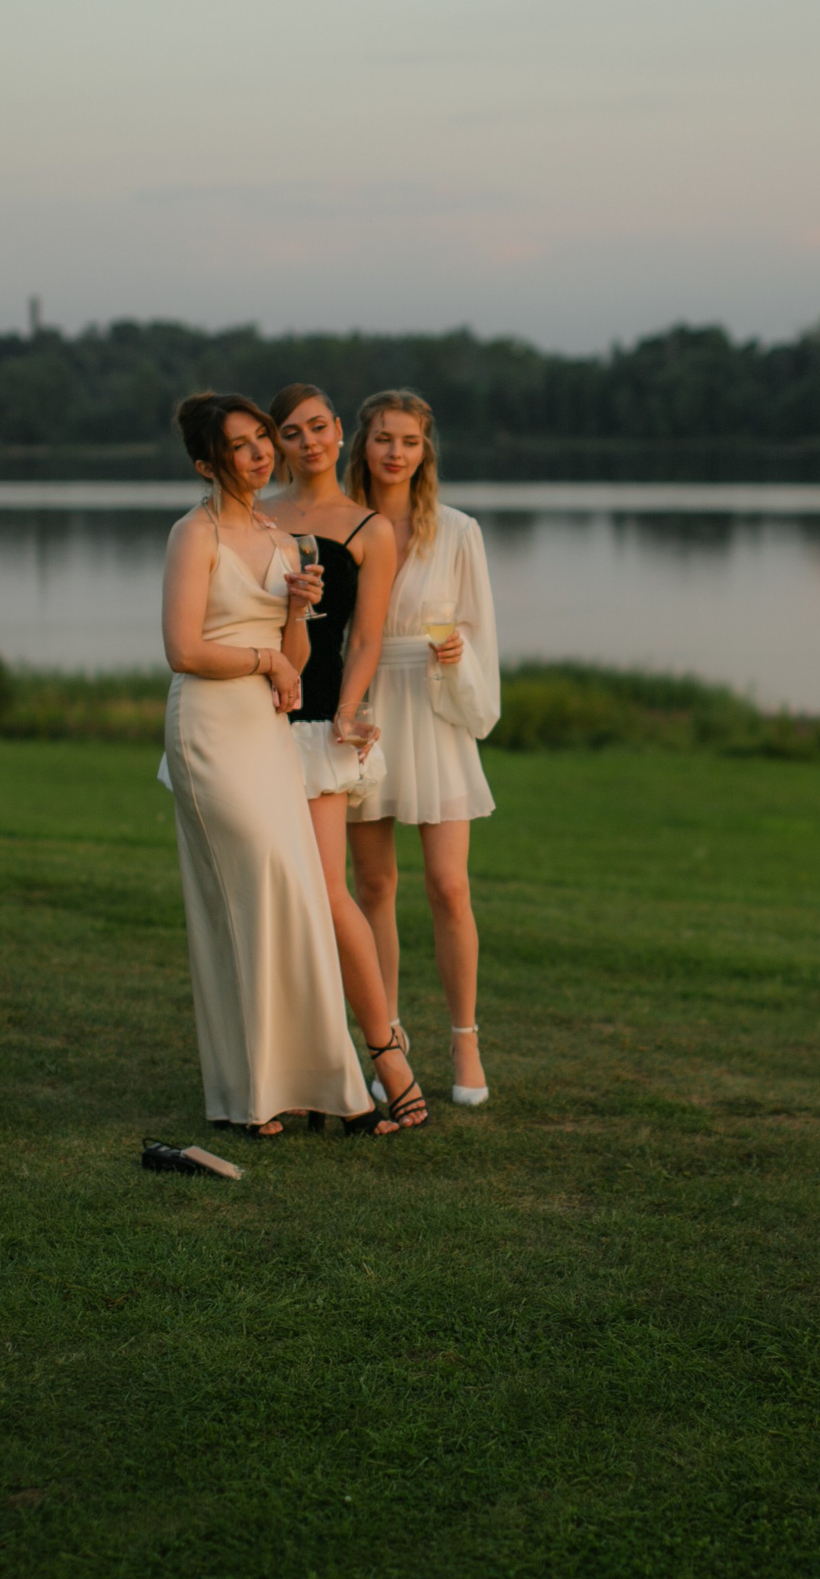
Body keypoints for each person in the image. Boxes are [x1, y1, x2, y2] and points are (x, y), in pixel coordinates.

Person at [159, 391, 389, 1138]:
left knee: (291, 894)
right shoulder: (193, 536)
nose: (261, 453)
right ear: (207, 465)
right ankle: (249, 1091)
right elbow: (183, 650)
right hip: (209, 727)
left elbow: (298, 656)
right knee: (251, 889)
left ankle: (306, 1084)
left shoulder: (281, 538)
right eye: (241, 445)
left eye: (263, 438)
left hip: (266, 729)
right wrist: (266, 658)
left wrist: (295, 613)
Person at [262, 382, 428, 1129]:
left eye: (318, 426)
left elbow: (364, 637)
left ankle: (388, 1054)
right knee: (271, 900)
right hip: (249, 719)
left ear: (339, 431)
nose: (309, 442)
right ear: (277, 444)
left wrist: (349, 709)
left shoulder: (369, 529)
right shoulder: (255, 515)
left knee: (331, 895)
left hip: (316, 724)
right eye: (291, 432)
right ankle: (296, 1070)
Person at [345, 389, 498, 1108]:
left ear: (424, 450)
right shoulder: (342, 525)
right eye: (384, 438)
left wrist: (460, 657)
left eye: (409, 441)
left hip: (435, 711)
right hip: (366, 707)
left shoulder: (459, 531)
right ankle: (389, 1040)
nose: (395, 452)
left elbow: (480, 631)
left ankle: (465, 1039)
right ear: (363, 445)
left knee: (449, 885)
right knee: (374, 886)